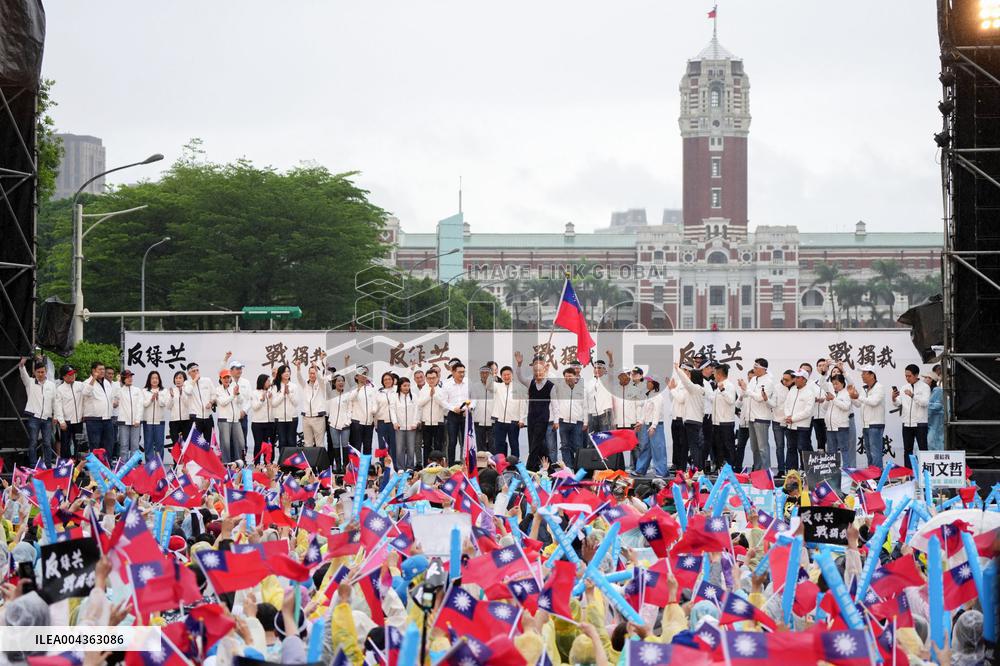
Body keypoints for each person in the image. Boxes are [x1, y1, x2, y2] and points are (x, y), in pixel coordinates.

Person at [515, 352, 557, 471]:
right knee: (539, 445)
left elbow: (555, 404)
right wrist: (519, 364)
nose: (538, 373)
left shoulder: (550, 385)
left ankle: (529, 469)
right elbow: (520, 377)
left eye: (540, 371)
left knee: (535, 445)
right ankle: (550, 470)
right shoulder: (531, 382)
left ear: (544, 371)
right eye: (535, 371)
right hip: (531, 418)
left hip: (543, 418)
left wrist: (556, 420)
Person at [18, 357, 59, 466]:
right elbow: (23, 374)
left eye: (43, 372)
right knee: (33, 442)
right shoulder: (30, 382)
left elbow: (55, 402)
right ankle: (33, 465)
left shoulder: (51, 385)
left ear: (46, 372)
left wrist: (56, 416)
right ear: (34, 372)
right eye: (38, 372)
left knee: (47, 443)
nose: (41, 374)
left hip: (47, 418)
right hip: (34, 417)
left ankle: (48, 465)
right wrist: (22, 365)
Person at [892, 363, 930, 466]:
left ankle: (925, 473)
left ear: (916, 375)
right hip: (907, 423)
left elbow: (925, 403)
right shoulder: (904, 387)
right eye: (906, 376)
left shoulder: (925, 387)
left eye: (909, 376)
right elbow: (898, 403)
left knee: (923, 449)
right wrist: (894, 398)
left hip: (920, 423)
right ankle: (908, 473)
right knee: (907, 450)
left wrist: (913, 395)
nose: (907, 378)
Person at [740, 358, 773, 472]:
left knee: (763, 448)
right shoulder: (753, 379)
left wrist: (746, 390)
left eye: (756, 367)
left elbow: (760, 398)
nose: (754, 369)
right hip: (751, 417)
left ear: (763, 368)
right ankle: (757, 471)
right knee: (755, 448)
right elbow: (748, 394)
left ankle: (766, 471)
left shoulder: (769, 381)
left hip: (761, 418)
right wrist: (743, 388)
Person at [553, 367, 587, 469]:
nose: (568, 378)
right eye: (566, 376)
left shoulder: (582, 389)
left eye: (570, 376)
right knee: (565, 445)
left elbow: (585, 407)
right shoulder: (560, 388)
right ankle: (568, 467)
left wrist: (586, 422)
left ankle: (579, 466)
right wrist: (556, 420)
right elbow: (556, 405)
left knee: (577, 445)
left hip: (578, 422)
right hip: (563, 421)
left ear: (575, 376)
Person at [674, 363, 706, 471]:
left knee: (694, 448)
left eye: (691, 376)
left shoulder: (695, 389)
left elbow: (686, 382)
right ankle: (684, 470)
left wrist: (678, 370)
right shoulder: (696, 390)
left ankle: (698, 470)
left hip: (693, 422)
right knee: (688, 447)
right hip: (690, 421)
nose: (689, 378)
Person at [491, 365, 527, 459]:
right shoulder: (498, 386)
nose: (506, 377)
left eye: (508, 374)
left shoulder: (519, 387)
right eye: (504, 375)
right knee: (499, 445)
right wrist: (492, 374)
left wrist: (522, 419)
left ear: (512, 375)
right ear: (501, 376)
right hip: (500, 422)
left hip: (513, 422)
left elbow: (523, 404)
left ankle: (515, 466)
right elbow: (487, 385)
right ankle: (500, 465)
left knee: (514, 445)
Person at [783, 369, 816, 471]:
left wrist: (793, 418)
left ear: (804, 379)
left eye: (798, 377)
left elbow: (808, 411)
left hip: (802, 427)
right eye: (795, 377)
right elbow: (786, 405)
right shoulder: (792, 390)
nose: (796, 379)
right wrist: (788, 416)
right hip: (790, 426)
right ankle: (792, 472)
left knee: (802, 449)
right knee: (791, 448)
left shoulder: (810, 392)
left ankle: (806, 471)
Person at [854, 365, 886, 468]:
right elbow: (858, 404)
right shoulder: (865, 389)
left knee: (875, 452)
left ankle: (877, 476)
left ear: (872, 375)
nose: (862, 376)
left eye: (864, 373)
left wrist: (858, 396)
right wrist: (852, 397)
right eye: (862, 373)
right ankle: (871, 474)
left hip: (875, 425)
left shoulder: (879, 387)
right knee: (869, 452)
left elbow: (874, 402)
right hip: (866, 425)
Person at [81, 361, 115, 457]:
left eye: (103, 369)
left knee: (108, 444)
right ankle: (95, 468)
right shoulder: (87, 382)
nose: (102, 371)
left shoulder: (107, 383)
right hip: (94, 420)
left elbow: (110, 398)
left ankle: (107, 466)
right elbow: (85, 393)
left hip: (107, 418)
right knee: (95, 444)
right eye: (100, 369)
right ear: (93, 370)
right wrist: (94, 379)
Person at [441, 362, 471, 465]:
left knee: (466, 442)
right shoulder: (447, 384)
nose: (462, 374)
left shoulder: (468, 383)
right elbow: (443, 401)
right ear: (453, 372)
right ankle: (451, 466)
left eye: (463, 372)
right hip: (452, 415)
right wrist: (453, 408)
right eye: (459, 372)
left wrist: (468, 408)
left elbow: (474, 398)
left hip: (465, 415)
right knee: (452, 442)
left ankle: (465, 465)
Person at [215, 369, 246, 464]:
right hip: (224, 420)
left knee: (240, 443)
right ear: (220, 378)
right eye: (224, 377)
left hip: (236, 420)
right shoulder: (218, 389)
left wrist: (238, 393)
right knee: (226, 445)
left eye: (228, 377)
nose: (227, 379)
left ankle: (238, 463)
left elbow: (241, 401)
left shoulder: (233, 387)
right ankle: (226, 464)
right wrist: (233, 395)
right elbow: (223, 402)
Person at [638, 377, 668, 476]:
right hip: (647, 425)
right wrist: (641, 422)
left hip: (655, 426)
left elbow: (657, 412)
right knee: (645, 448)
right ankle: (640, 470)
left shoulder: (657, 396)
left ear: (655, 383)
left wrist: (653, 426)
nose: (647, 383)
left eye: (649, 382)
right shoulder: (649, 395)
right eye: (647, 381)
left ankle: (661, 471)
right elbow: (645, 412)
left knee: (658, 449)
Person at [296, 361, 329, 449]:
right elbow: (299, 378)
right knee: (308, 444)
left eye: (314, 373)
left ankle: (320, 463)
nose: (312, 375)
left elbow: (321, 379)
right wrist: (298, 368)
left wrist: (317, 369)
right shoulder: (305, 385)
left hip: (318, 418)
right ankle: (309, 463)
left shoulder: (321, 385)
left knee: (319, 444)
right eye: (310, 373)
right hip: (306, 418)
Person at [418, 368, 448, 465]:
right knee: (427, 445)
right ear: (426, 379)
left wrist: (434, 395)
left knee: (438, 445)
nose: (431, 380)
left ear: (437, 378)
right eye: (429, 378)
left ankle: (439, 466)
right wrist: (429, 396)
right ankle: (427, 466)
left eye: (433, 378)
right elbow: (419, 403)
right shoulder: (423, 390)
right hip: (426, 422)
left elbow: (444, 404)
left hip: (439, 422)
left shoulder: (442, 390)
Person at [711, 364, 738, 470]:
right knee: (718, 446)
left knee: (728, 446)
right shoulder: (718, 386)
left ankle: (731, 467)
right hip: (717, 422)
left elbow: (731, 401)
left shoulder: (729, 386)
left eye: (715, 374)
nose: (714, 376)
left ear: (719, 374)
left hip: (726, 422)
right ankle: (720, 467)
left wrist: (723, 391)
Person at [55, 364, 84, 458]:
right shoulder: (60, 389)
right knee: (65, 444)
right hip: (66, 422)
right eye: (70, 374)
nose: (73, 376)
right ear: (64, 377)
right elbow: (58, 406)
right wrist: (61, 421)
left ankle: (78, 466)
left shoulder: (80, 385)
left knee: (79, 443)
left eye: (73, 374)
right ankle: (65, 465)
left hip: (79, 421)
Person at [115, 369, 144, 459]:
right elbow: (114, 400)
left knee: (135, 446)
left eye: (131, 376)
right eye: (127, 377)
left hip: (136, 422)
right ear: (123, 379)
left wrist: (138, 419)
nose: (130, 378)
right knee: (124, 445)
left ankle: (133, 467)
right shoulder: (119, 390)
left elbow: (140, 405)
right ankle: (123, 466)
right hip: (123, 422)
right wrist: (118, 382)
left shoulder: (137, 390)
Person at [270, 364, 299, 453]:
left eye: (288, 371)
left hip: (292, 418)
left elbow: (296, 402)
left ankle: (292, 464)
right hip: (280, 419)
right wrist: (283, 394)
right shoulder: (275, 386)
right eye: (284, 371)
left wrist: (289, 393)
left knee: (291, 441)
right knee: (282, 441)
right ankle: (283, 464)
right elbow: (273, 403)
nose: (287, 373)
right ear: (280, 374)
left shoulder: (294, 386)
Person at [348, 365, 377, 454]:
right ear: (356, 376)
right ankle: (356, 467)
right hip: (357, 422)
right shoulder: (353, 388)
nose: (364, 376)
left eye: (365, 374)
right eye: (361, 374)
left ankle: (366, 467)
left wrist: (374, 409)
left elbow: (375, 401)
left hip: (369, 422)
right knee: (356, 446)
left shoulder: (372, 388)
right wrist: (359, 388)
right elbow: (350, 399)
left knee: (368, 446)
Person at [223, 353, 252, 440]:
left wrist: (244, 411)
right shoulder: (227, 381)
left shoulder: (246, 382)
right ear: (231, 371)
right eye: (237, 369)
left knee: (242, 438)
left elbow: (250, 399)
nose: (239, 370)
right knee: (231, 439)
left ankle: (242, 453)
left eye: (240, 368)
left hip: (243, 416)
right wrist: (225, 359)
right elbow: (221, 371)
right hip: (230, 416)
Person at [769, 370, 793, 477]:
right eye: (783, 379)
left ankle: (790, 469)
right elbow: (773, 403)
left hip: (791, 421)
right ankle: (781, 470)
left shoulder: (796, 388)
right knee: (780, 446)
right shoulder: (777, 387)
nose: (784, 381)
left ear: (793, 379)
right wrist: (766, 400)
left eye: (787, 380)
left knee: (790, 446)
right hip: (777, 421)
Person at [391, 377, 419, 470]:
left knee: (411, 448)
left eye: (408, 385)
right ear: (400, 386)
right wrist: (395, 422)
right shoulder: (394, 397)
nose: (407, 387)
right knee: (399, 449)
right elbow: (392, 410)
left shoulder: (414, 396)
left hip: (411, 427)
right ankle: (400, 468)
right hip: (399, 427)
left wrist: (415, 422)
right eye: (404, 386)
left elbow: (417, 410)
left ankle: (410, 467)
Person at [183, 363, 216, 439]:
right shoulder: (187, 383)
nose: (196, 372)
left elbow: (214, 394)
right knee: (196, 443)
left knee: (209, 442)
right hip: (195, 417)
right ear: (189, 373)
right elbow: (188, 391)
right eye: (193, 371)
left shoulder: (207, 380)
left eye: (197, 370)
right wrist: (194, 380)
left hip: (208, 417)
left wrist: (211, 402)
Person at [326, 374, 352, 470]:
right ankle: (337, 466)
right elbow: (323, 381)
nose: (341, 382)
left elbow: (350, 408)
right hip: (333, 424)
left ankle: (345, 466)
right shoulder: (330, 393)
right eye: (338, 381)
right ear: (334, 383)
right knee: (335, 445)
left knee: (345, 445)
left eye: (342, 381)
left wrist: (348, 421)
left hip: (345, 425)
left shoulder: (348, 394)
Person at [826, 374, 853, 465]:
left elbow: (846, 407)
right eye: (833, 384)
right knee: (831, 451)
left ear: (842, 383)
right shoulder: (832, 393)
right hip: (830, 427)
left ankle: (846, 471)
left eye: (837, 384)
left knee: (844, 449)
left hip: (841, 427)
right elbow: (824, 407)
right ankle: (833, 471)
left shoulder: (846, 393)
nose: (835, 386)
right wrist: (827, 400)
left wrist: (834, 399)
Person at [142, 370, 168, 460]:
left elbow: (163, 404)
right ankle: (149, 465)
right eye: (152, 378)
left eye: (156, 378)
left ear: (159, 380)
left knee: (159, 444)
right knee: (148, 444)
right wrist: (151, 399)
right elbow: (144, 404)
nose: (154, 380)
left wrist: (158, 397)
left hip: (159, 421)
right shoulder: (144, 391)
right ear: (149, 380)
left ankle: (159, 466)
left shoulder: (164, 391)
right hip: (147, 421)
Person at [251, 373, 277, 463]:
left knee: (269, 445)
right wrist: (262, 399)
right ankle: (256, 463)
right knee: (258, 444)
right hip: (257, 423)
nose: (269, 382)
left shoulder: (271, 392)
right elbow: (255, 407)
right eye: (268, 381)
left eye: (270, 381)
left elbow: (274, 405)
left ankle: (268, 463)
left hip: (270, 422)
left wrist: (270, 399)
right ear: (262, 382)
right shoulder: (254, 393)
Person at [471, 366, 495, 454]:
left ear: (490, 374)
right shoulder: (474, 386)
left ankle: (493, 465)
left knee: (493, 446)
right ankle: (481, 466)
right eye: (482, 373)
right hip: (478, 419)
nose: (484, 375)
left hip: (493, 420)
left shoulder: (496, 386)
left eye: (486, 373)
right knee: (480, 446)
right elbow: (471, 401)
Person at [166, 370, 190, 448]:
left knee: (186, 444)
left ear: (184, 380)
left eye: (180, 378)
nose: (178, 380)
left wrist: (181, 393)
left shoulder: (187, 390)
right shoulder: (171, 391)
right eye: (176, 378)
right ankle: (176, 460)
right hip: (174, 421)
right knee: (176, 445)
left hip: (186, 420)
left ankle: (186, 460)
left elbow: (188, 404)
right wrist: (172, 396)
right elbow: (168, 407)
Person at [735, 370, 753, 470]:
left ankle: (756, 468)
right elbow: (737, 405)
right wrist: (742, 394)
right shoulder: (744, 389)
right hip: (743, 424)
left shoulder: (756, 389)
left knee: (756, 448)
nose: (750, 379)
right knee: (740, 446)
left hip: (754, 423)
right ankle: (738, 468)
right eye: (749, 377)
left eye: (752, 377)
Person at [926, 372, 944, 451]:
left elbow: (938, 405)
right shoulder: (929, 390)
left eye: (927, 377)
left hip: (937, 419)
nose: (925, 379)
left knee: (934, 439)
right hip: (931, 419)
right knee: (931, 439)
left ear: (931, 380)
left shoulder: (937, 390)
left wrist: (925, 404)